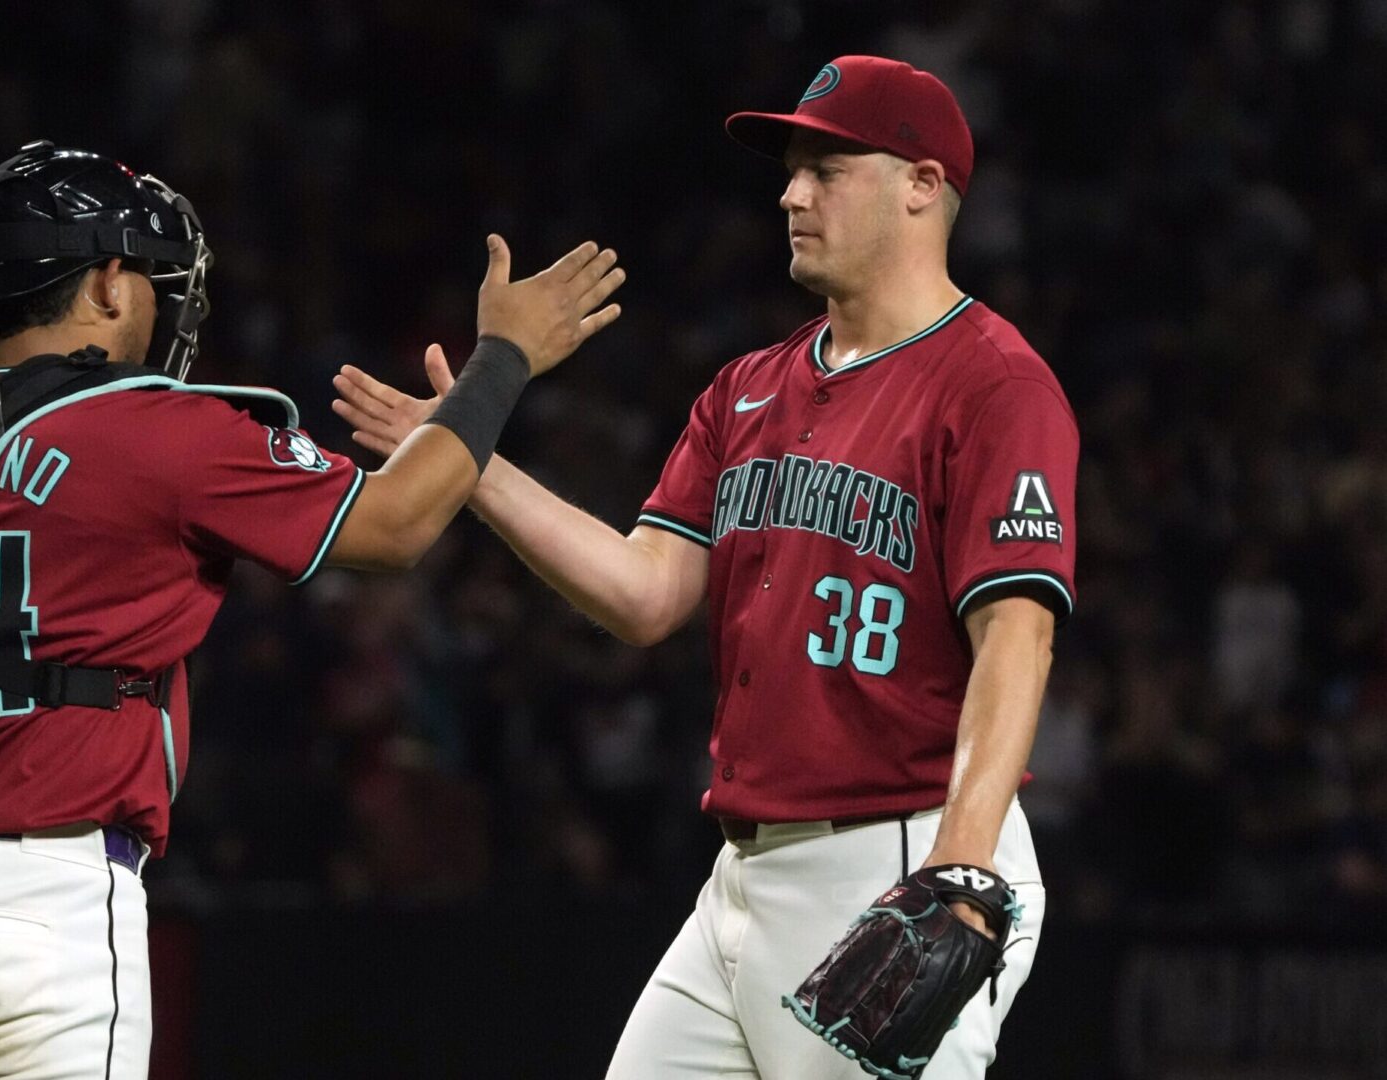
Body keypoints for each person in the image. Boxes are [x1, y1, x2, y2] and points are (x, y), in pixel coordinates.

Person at [0, 140, 624, 1079]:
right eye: (160, 284)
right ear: (110, 284)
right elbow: (398, 523)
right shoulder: (161, 432)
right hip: (39, 913)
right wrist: (504, 357)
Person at [332, 57, 1075, 1079]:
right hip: (743, 871)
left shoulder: (995, 384)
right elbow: (646, 594)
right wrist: (472, 468)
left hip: (897, 853)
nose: (790, 193)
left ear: (922, 183)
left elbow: (1019, 634)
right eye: (790, 170)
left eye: (825, 167)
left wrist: (963, 860)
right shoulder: (749, 388)